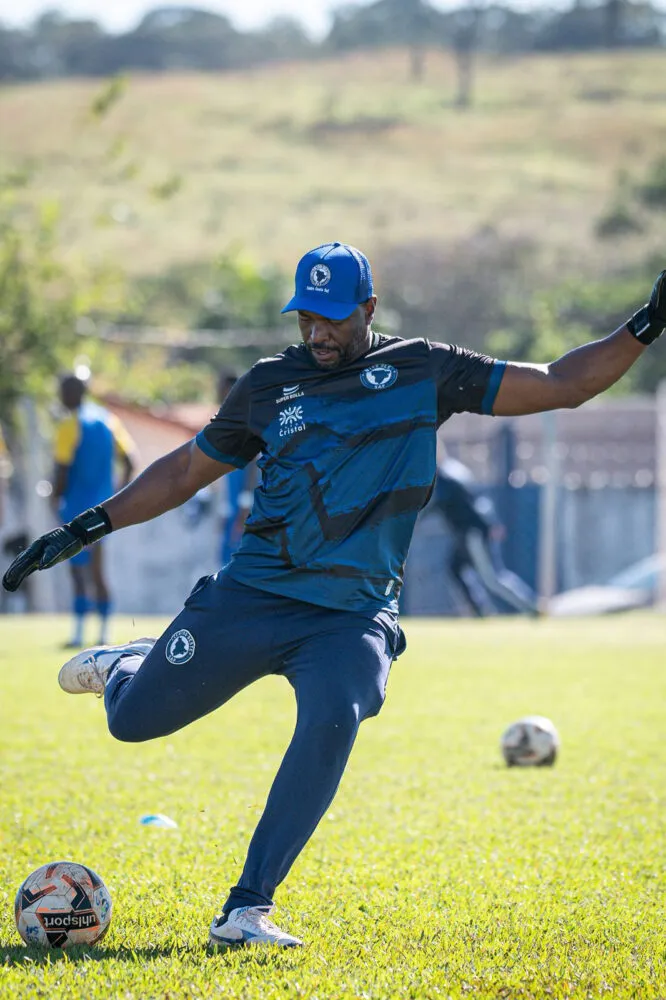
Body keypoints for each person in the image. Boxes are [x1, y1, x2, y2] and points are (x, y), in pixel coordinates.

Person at [3, 243, 665, 949]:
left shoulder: (425, 369)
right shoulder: (266, 385)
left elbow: (562, 382)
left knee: (333, 714)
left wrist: (647, 325)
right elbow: (186, 471)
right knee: (132, 724)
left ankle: (246, 908)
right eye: (305, 319)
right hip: (253, 593)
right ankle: (126, 667)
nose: (316, 333)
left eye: (331, 318)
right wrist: (87, 526)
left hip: (352, 614)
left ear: (368, 309)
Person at [52, 374, 137, 647]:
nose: (60, 396)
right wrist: (119, 496)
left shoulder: (69, 423)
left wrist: (54, 499)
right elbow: (130, 461)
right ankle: (103, 633)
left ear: (74, 393)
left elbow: (62, 469)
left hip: (76, 506)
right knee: (99, 570)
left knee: (78, 571)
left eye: (63, 391)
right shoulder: (108, 420)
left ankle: (78, 634)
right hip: (104, 508)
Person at [433, 456, 538, 616]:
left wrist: (488, 524)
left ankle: (531, 606)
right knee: (455, 568)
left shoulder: (448, 479)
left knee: (493, 579)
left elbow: (473, 502)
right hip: (464, 534)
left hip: (473, 533)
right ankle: (479, 611)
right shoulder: (447, 475)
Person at [215, 368, 256, 565]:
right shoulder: (224, 422)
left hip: (243, 506)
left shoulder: (247, 420)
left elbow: (254, 462)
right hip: (230, 505)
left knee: (239, 557)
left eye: (225, 390)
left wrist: (245, 502)